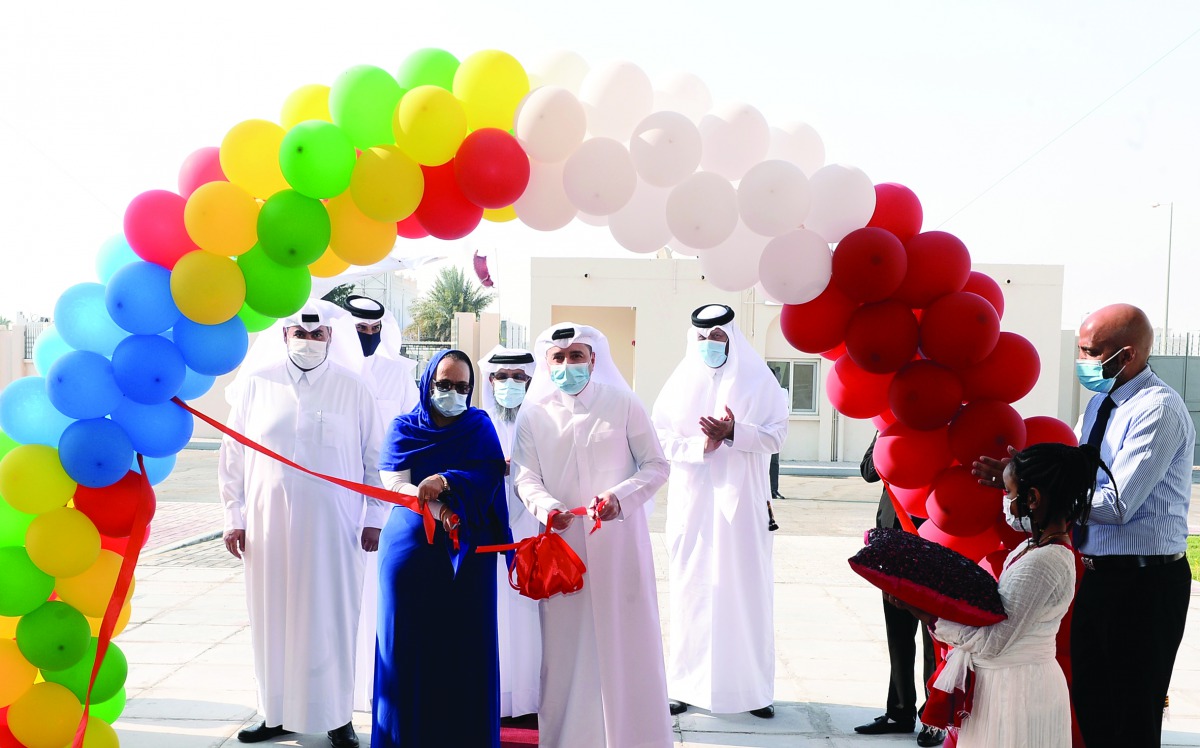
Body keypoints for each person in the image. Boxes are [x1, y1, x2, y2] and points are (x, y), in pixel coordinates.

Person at [974, 303, 1194, 748]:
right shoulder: (1098, 405)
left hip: (1144, 583)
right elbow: (1073, 479)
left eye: (1091, 352)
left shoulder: (1157, 410)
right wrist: (1020, 484)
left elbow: (1117, 504)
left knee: (1132, 716)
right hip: (1094, 576)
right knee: (1092, 708)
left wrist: (1039, 486)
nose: (1083, 361)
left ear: (1126, 355)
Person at [219, 300, 384, 748]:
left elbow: (375, 460)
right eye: (300, 334)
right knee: (272, 616)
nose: (309, 342)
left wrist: (375, 517)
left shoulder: (353, 388)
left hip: (337, 528)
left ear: (331, 338)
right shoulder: (256, 384)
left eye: (318, 335)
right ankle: (276, 713)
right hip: (266, 527)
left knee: (330, 617)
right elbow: (232, 456)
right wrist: (233, 517)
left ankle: (336, 717)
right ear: (284, 336)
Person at [510, 322, 673, 748]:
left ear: (593, 360)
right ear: (547, 364)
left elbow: (656, 465)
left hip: (620, 547)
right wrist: (547, 508)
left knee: (627, 646)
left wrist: (622, 497)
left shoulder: (623, 403)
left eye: (576, 356)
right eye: (558, 358)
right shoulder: (533, 413)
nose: (568, 365)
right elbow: (525, 477)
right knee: (566, 652)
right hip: (563, 551)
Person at [898, 443, 1109, 747]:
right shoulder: (1031, 547)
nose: (1007, 502)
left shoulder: (1044, 561)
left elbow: (992, 642)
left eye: (1009, 494)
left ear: (1033, 499)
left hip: (1018, 691)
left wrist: (928, 614)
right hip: (1007, 684)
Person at [651, 303, 788, 719]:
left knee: (744, 592)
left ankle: (753, 691)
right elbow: (659, 441)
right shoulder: (677, 385)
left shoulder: (757, 379)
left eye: (718, 337)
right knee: (692, 593)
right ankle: (685, 686)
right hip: (692, 504)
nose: (710, 344)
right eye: (703, 338)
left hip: (743, 506)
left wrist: (734, 433)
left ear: (732, 337)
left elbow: (776, 436)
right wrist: (701, 446)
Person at [372, 349, 510, 748]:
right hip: (411, 550)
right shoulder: (403, 426)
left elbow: (488, 474)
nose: (453, 393)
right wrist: (434, 503)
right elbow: (392, 482)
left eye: (462, 387)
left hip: (468, 553)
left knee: (466, 650)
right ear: (428, 382)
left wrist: (448, 481)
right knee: (407, 651)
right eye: (444, 384)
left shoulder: (479, 425)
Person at [341, 294, 421, 714]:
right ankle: (340, 692)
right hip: (335, 505)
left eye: (374, 330)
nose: (367, 337)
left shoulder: (398, 374)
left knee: (380, 600)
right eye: (359, 330)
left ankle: (375, 689)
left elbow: (410, 436)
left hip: (385, 507)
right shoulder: (331, 371)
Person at [855, 433, 945, 747]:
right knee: (898, 631)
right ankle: (900, 711)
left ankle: (934, 718)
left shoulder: (942, 422)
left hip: (930, 535)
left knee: (933, 634)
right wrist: (885, 435)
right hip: (892, 538)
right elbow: (867, 470)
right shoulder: (887, 427)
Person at [479, 345, 542, 720]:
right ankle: (494, 697)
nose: (510, 384)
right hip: (486, 529)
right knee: (493, 613)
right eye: (502, 377)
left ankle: (529, 700)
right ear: (489, 380)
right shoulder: (475, 420)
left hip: (530, 526)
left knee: (527, 615)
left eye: (519, 377)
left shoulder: (541, 418)